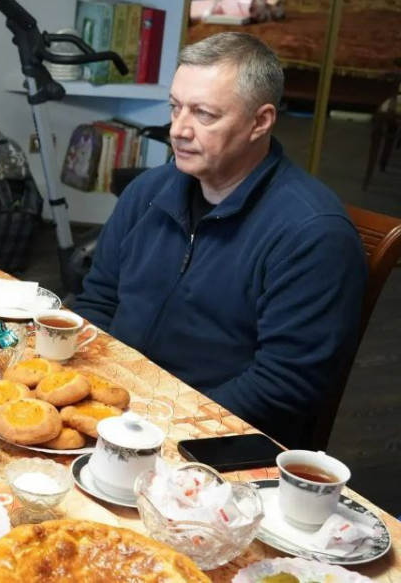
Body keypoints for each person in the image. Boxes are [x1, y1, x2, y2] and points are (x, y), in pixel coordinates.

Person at [73, 33, 367, 448]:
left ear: (260, 122)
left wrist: (162, 427)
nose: (178, 130)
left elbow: (284, 385)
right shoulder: (148, 191)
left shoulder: (314, 234)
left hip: (214, 438)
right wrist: (83, 394)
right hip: (117, 411)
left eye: (204, 114)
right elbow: (99, 301)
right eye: (175, 107)